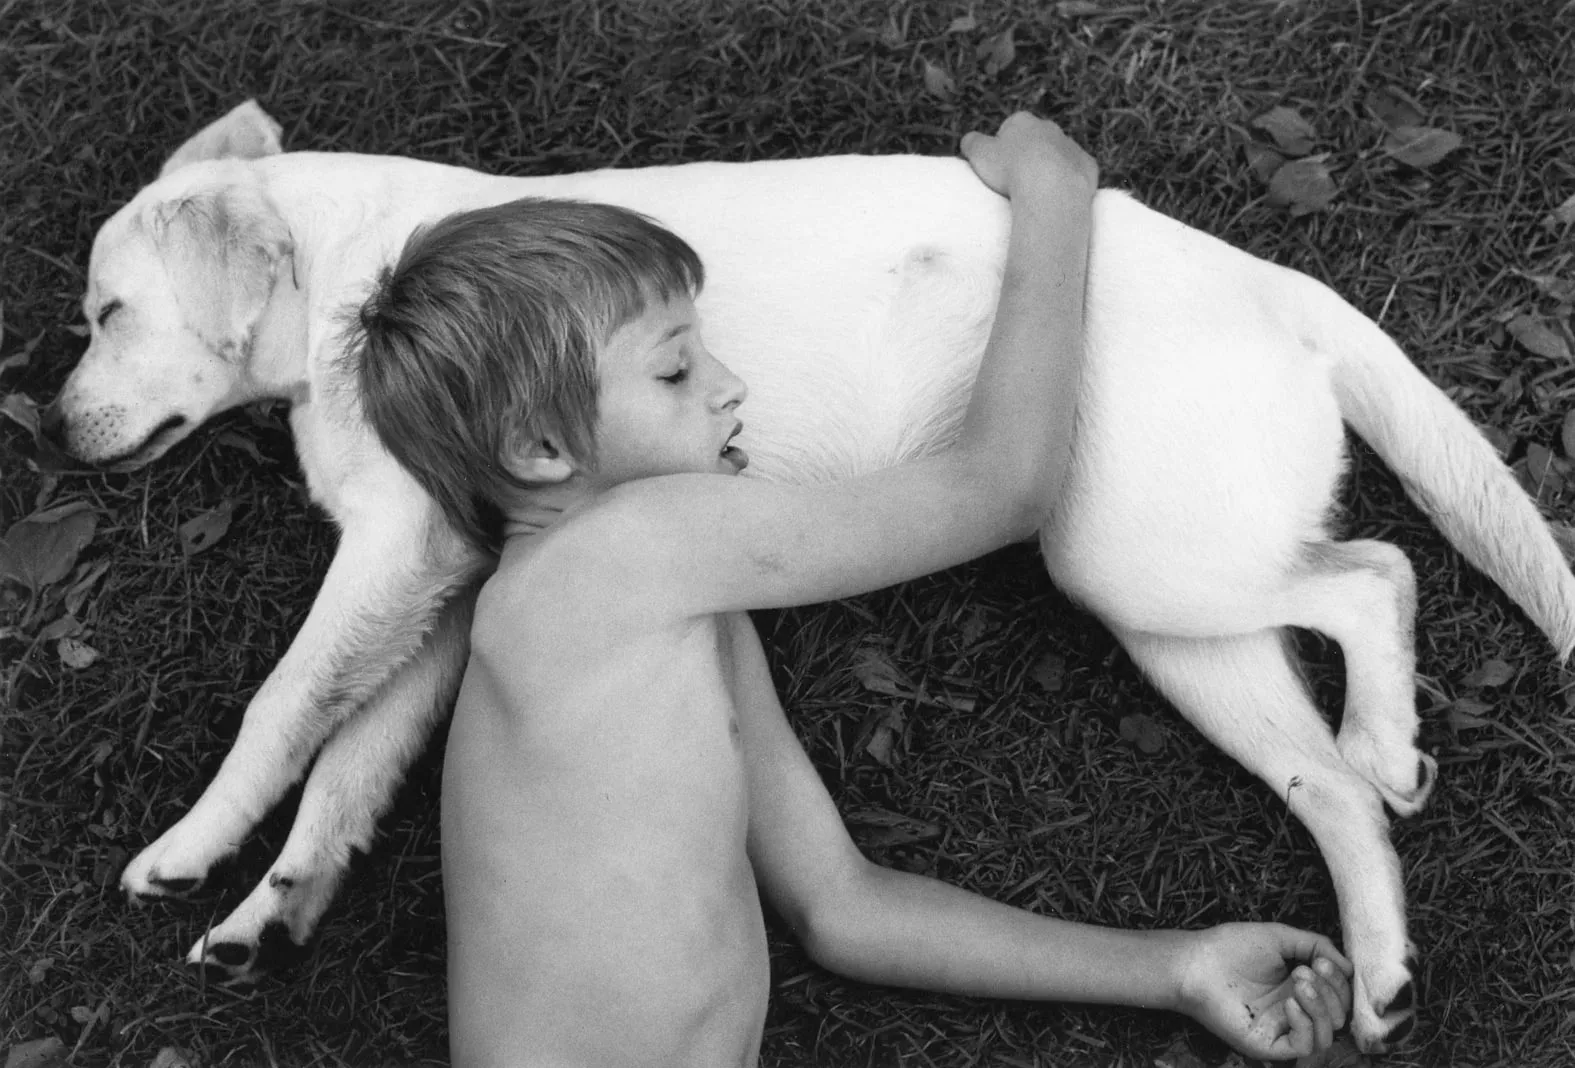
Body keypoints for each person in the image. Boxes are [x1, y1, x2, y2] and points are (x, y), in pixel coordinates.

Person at [349, 114, 1352, 1067]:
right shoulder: (622, 553)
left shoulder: (658, 614)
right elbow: (999, 487)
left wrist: (1178, 968)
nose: (731, 385)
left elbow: (842, 907)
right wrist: (1056, 200)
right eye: (675, 371)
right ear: (539, 449)